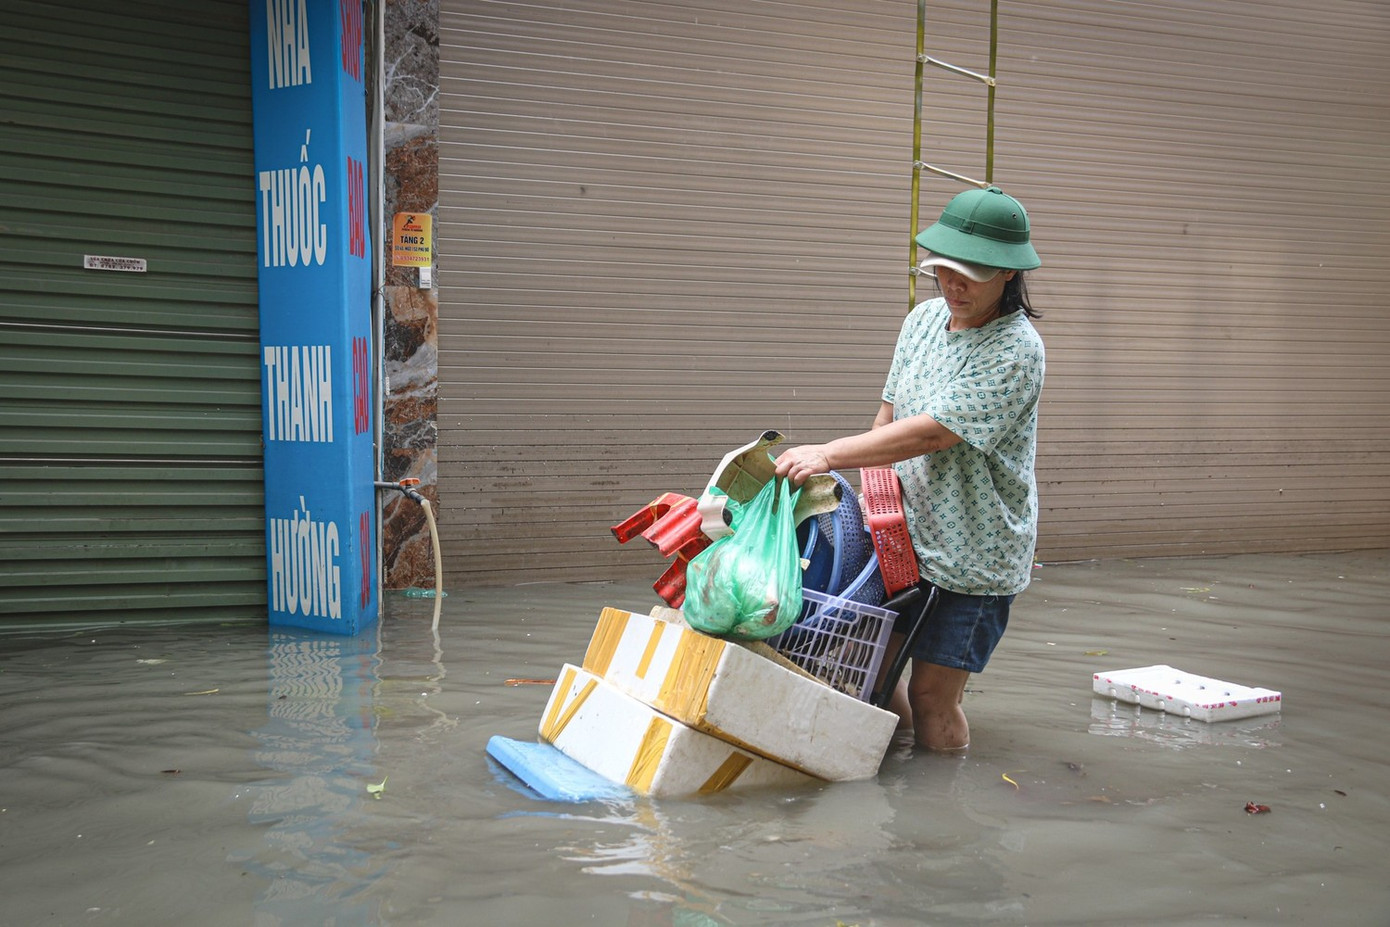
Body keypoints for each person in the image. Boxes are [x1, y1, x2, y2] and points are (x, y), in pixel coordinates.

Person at [774, 185, 1045, 753]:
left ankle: (941, 817)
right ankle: (890, 774)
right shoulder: (922, 321)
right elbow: (889, 417)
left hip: (974, 554)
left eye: (971, 273)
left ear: (1007, 274)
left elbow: (932, 432)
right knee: (871, 672)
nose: (954, 285)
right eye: (944, 270)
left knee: (931, 696)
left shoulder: (1018, 349)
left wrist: (827, 453)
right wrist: (859, 508)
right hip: (898, 535)